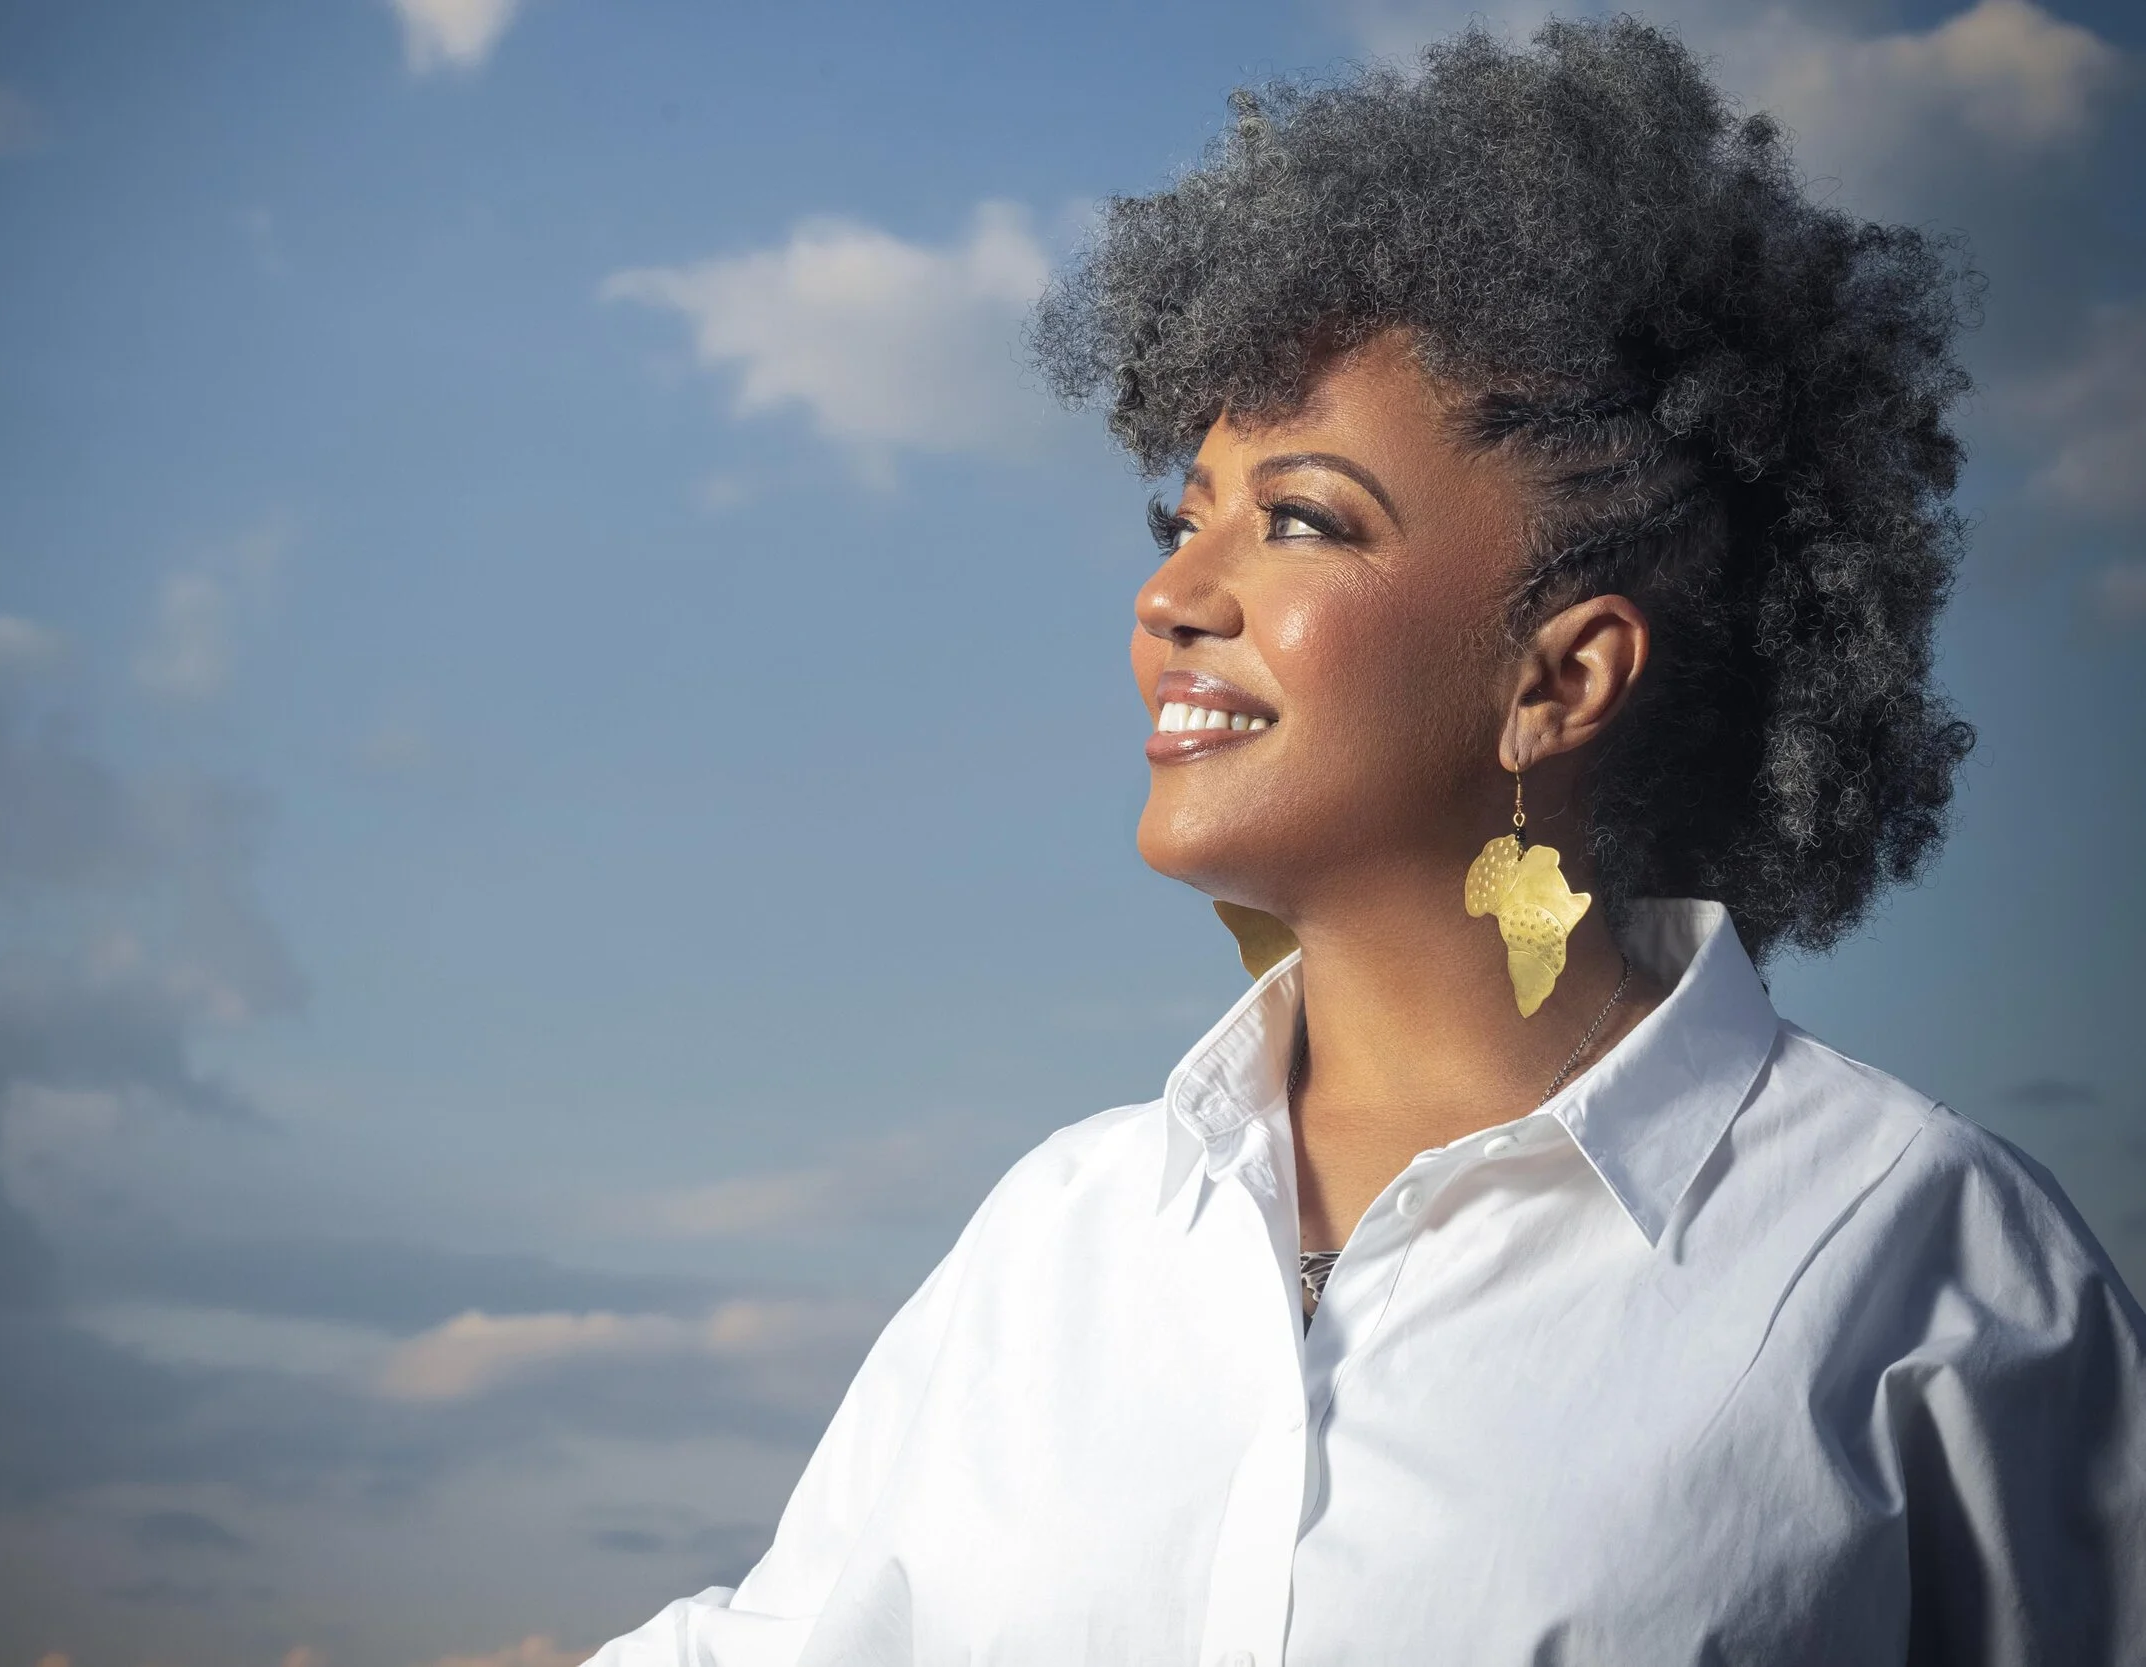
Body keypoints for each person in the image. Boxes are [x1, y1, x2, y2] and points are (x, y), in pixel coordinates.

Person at [589, 19, 2146, 1665]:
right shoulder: (1058, 1240)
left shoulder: (1939, 1277)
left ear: (1563, 675)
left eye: (1302, 520)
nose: (1172, 595)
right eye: (1184, 515)